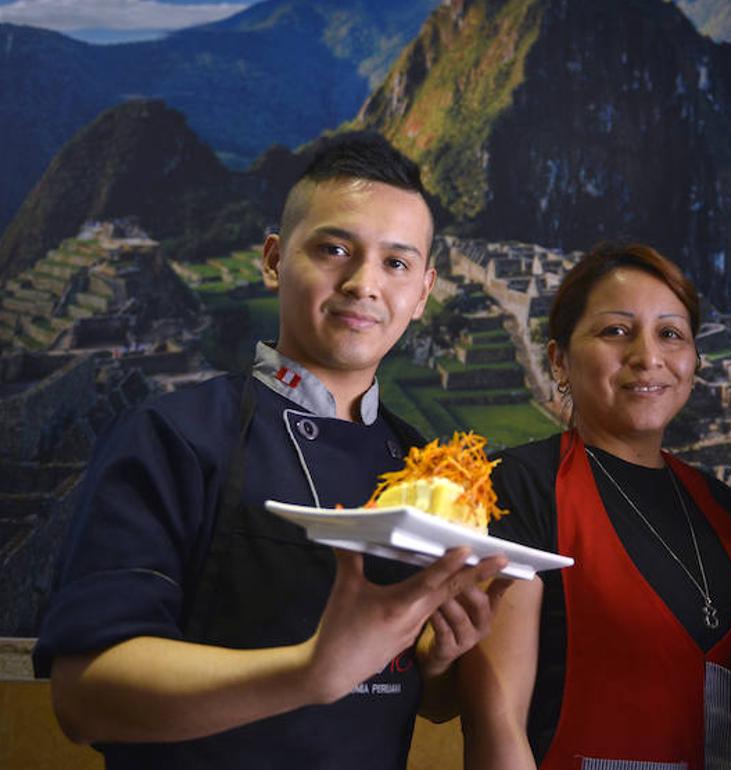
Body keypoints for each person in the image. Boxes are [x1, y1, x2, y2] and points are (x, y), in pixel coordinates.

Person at [33, 131, 510, 769]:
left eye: (396, 264)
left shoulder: (425, 469)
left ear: (423, 293)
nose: (364, 283)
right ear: (274, 260)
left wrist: (440, 657)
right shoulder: (173, 435)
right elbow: (84, 696)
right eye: (334, 250)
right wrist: (309, 673)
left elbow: (421, 699)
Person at [457, 244, 731, 769]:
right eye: (616, 331)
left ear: (694, 360)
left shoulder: (716, 500)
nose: (648, 356)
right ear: (559, 359)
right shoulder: (520, 486)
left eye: (671, 334)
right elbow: (497, 718)